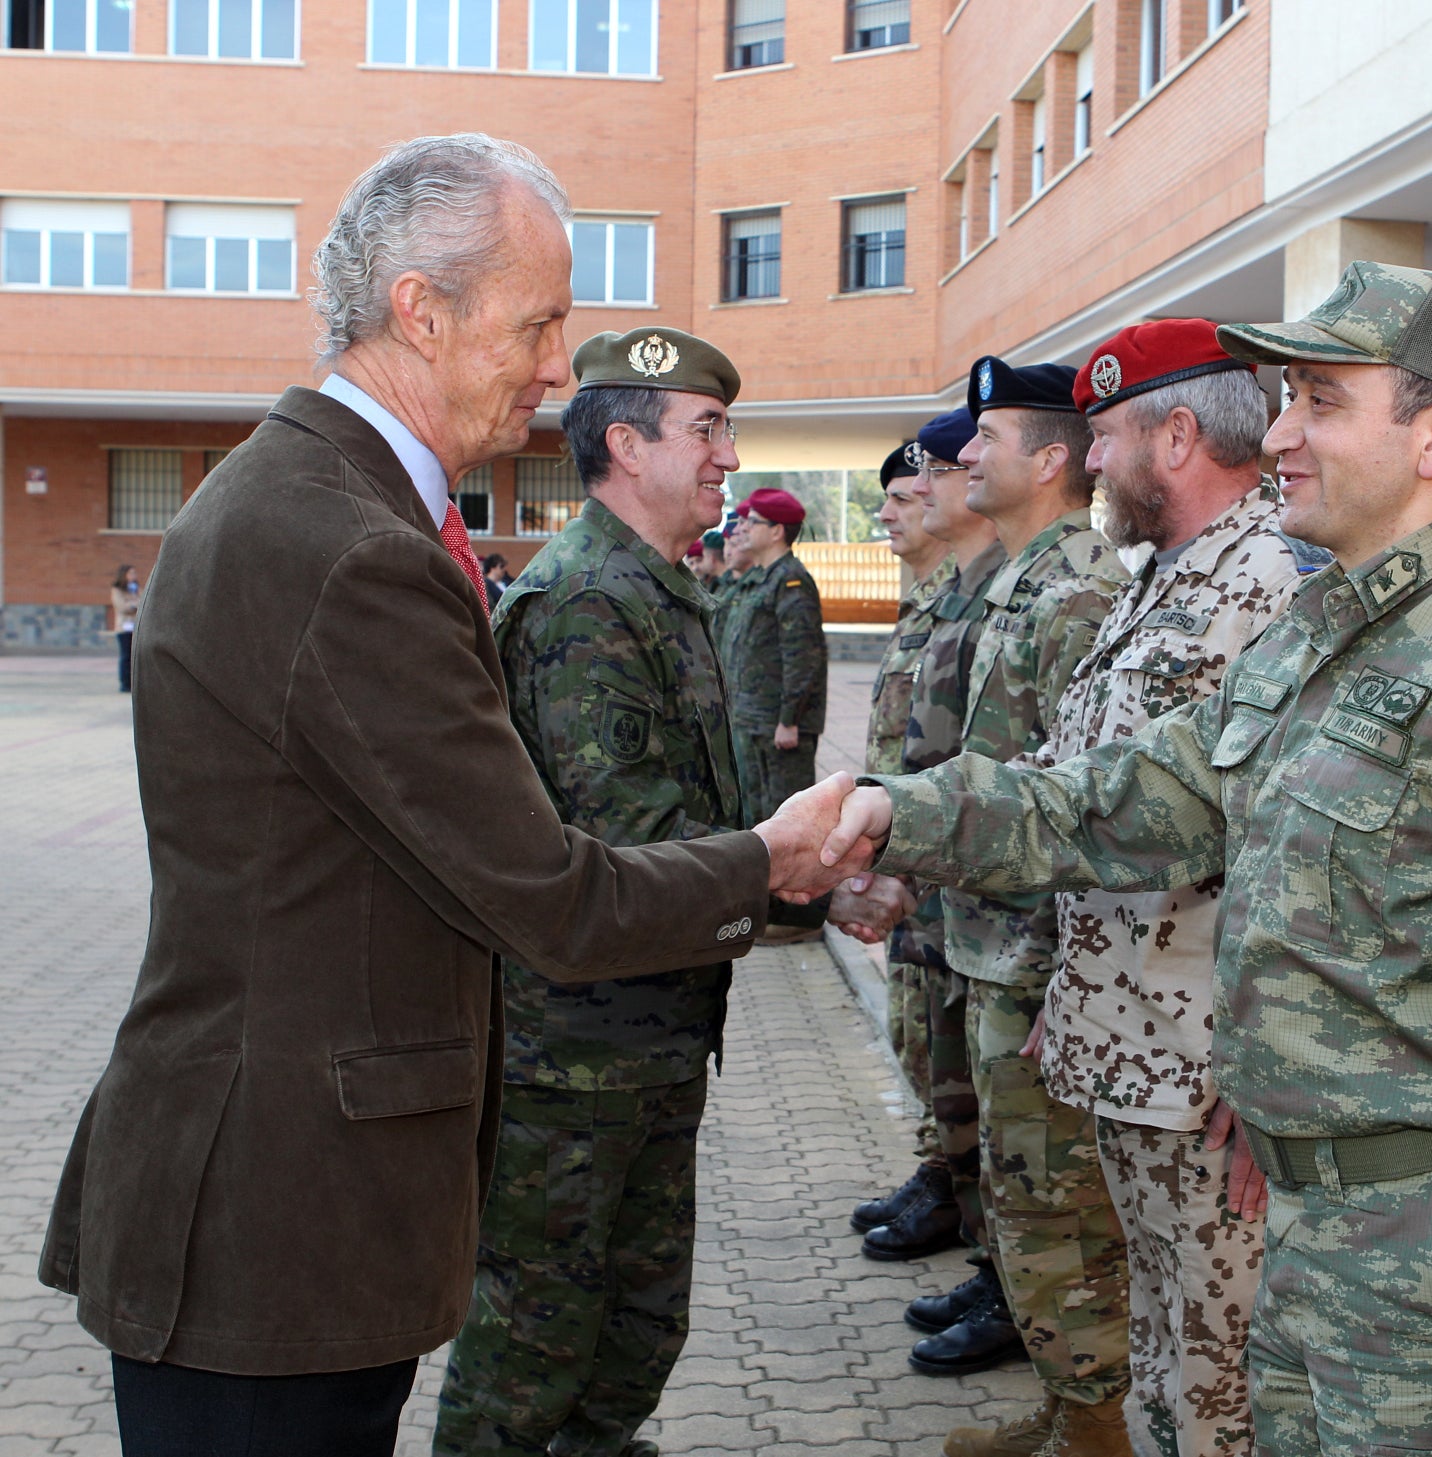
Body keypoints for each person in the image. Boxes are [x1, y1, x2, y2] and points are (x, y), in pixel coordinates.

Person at [34, 134, 847, 1457]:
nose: (550, 369)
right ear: (421, 309)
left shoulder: (334, 506)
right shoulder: (341, 542)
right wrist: (768, 858)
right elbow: (544, 893)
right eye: (536, 325)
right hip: (275, 1214)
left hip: (290, 1202)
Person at [799, 266, 1432, 1456]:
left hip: (1430, 1265)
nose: (1284, 432)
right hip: (1302, 1226)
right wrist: (888, 809)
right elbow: (1118, 802)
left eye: (1317, 400)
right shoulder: (1315, 641)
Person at [430, 328, 747, 1455]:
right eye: (704, 429)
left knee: (638, 1315)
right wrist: (789, 871)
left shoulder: (660, 589)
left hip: (654, 1028)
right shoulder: (583, 600)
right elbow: (624, 831)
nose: (726, 456)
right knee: (533, 1337)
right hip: (575, 1047)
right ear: (625, 441)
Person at [1046, 318, 1325, 1457]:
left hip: (1211, 1074)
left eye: (1103, 435)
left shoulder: (1277, 582)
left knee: (1224, 1383)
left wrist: (1274, 1066)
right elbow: (1090, 786)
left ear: (1173, 434)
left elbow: (1302, 846)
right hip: (1129, 1047)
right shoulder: (1157, 581)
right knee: (1161, 1352)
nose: (1090, 462)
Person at [902, 355, 1137, 1457]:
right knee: (1024, 1199)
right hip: (993, 947)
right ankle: (1066, 1403)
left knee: (1060, 1208)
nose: (965, 455)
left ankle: (1094, 1424)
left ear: (1051, 460)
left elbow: (1084, 801)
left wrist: (1064, 975)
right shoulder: (1022, 577)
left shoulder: (1079, 586)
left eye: (987, 438)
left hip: (1037, 961)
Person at [847, 436, 965, 1262]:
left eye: (903, 493)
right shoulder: (934, 597)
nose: (890, 510)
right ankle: (942, 1169)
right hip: (909, 858)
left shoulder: (969, 597)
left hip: (949, 869)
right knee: (919, 1032)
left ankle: (957, 1187)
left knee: (945, 1041)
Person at [723, 486, 828, 825]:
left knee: (789, 816)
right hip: (753, 718)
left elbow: (802, 655)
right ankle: (764, 878)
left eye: (753, 522)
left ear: (776, 531)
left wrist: (789, 719)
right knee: (757, 813)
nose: (744, 528)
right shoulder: (762, 578)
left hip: (778, 725)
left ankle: (800, 880)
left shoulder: (791, 580)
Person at [109, 564, 140, 692]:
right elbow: (122, 607)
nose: (134, 576)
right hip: (124, 628)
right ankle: (125, 683)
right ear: (124, 575)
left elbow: (144, 601)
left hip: (136, 628)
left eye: (134, 573)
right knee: (125, 656)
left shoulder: (136, 589)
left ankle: (135, 683)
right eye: (131, 573)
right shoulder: (117, 590)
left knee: (135, 657)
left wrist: (133, 604)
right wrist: (134, 604)